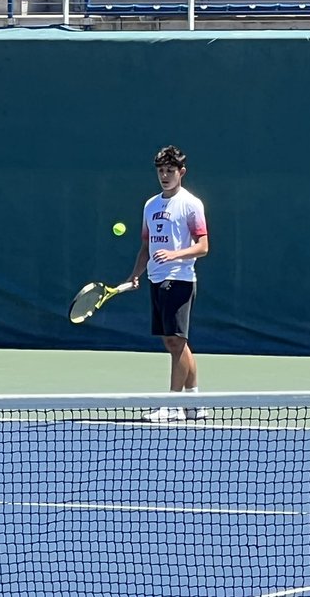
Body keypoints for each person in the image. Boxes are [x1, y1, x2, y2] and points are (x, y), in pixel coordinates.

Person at [127, 145, 210, 423]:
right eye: (161, 171)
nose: (164, 176)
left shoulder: (191, 204)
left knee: (176, 341)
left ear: (181, 172)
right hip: (156, 278)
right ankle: (194, 403)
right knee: (174, 343)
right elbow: (146, 246)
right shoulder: (150, 205)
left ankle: (174, 405)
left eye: (170, 170)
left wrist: (175, 254)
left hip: (180, 278)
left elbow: (203, 247)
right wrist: (135, 273)